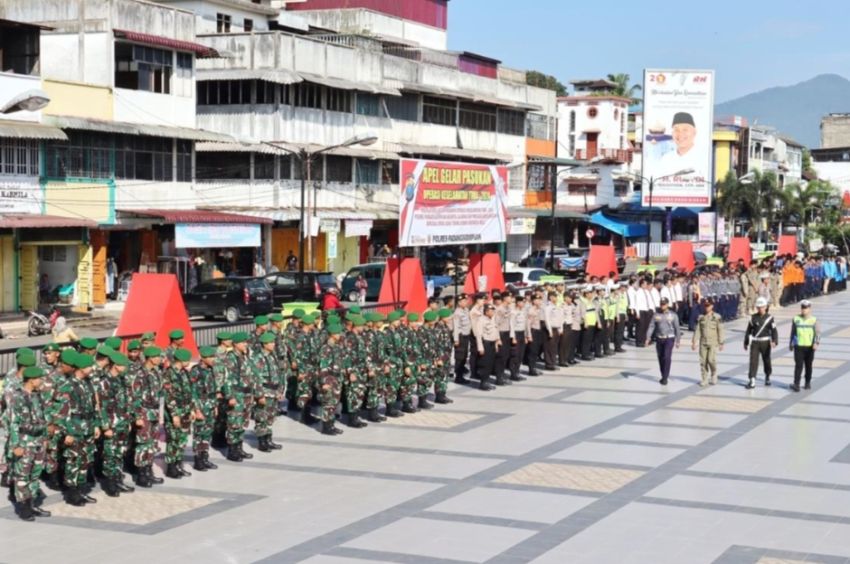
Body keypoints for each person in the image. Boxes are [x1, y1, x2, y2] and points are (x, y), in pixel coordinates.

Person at [8, 366, 51, 521]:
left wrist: (45, 438)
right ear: (31, 380)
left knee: (35, 474)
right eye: (39, 378)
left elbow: (43, 419)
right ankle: (24, 507)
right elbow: (13, 423)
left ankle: (32, 503)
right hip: (25, 441)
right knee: (22, 475)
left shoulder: (37, 396)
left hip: (38, 441)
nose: (41, 381)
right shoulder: (18, 397)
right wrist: (16, 445)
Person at [744, 296, 778, 389]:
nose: (760, 309)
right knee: (753, 361)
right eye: (758, 307)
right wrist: (746, 342)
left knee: (766, 360)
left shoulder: (770, 318)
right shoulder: (753, 318)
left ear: (765, 307)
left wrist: (774, 340)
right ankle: (752, 380)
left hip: (765, 342)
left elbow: (774, 330)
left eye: (762, 307)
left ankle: (767, 375)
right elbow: (748, 331)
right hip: (755, 342)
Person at [646, 297, 681, 385]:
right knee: (661, 357)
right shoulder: (656, 315)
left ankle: (665, 377)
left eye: (664, 304)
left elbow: (677, 328)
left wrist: (678, 340)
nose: (662, 306)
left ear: (667, 304)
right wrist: (648, 337)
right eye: (661, 304)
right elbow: (651, 326)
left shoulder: (673, 315)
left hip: (669, 338)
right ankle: (663, 375)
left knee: (667, 356)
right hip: (659, 338)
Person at [790, 300, 820, 392]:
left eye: (806, 308)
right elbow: (793, 332)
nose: (804, 310)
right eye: (802, 308)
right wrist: (791, 343)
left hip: (810, 347)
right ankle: (796, 384)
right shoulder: (796, 319)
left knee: (808, 365)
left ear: (809, 309)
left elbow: (818, 333)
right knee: (798, 365)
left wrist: (816, 343)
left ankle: (807, 383)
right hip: (798, 346)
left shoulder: (814, 320)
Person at [692, 298, 723, 387]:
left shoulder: (717, 317)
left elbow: (720, 330)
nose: (706, 307)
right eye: (705, 306)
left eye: (708, 305)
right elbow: (698, 330)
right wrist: (694, 341)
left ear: (712, 306)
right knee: (703, 361)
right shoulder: (701, 317)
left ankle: (713, 373)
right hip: (703, 342)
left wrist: (721, 342)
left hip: (713, 342)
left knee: (710, 359)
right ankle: (704, 378)